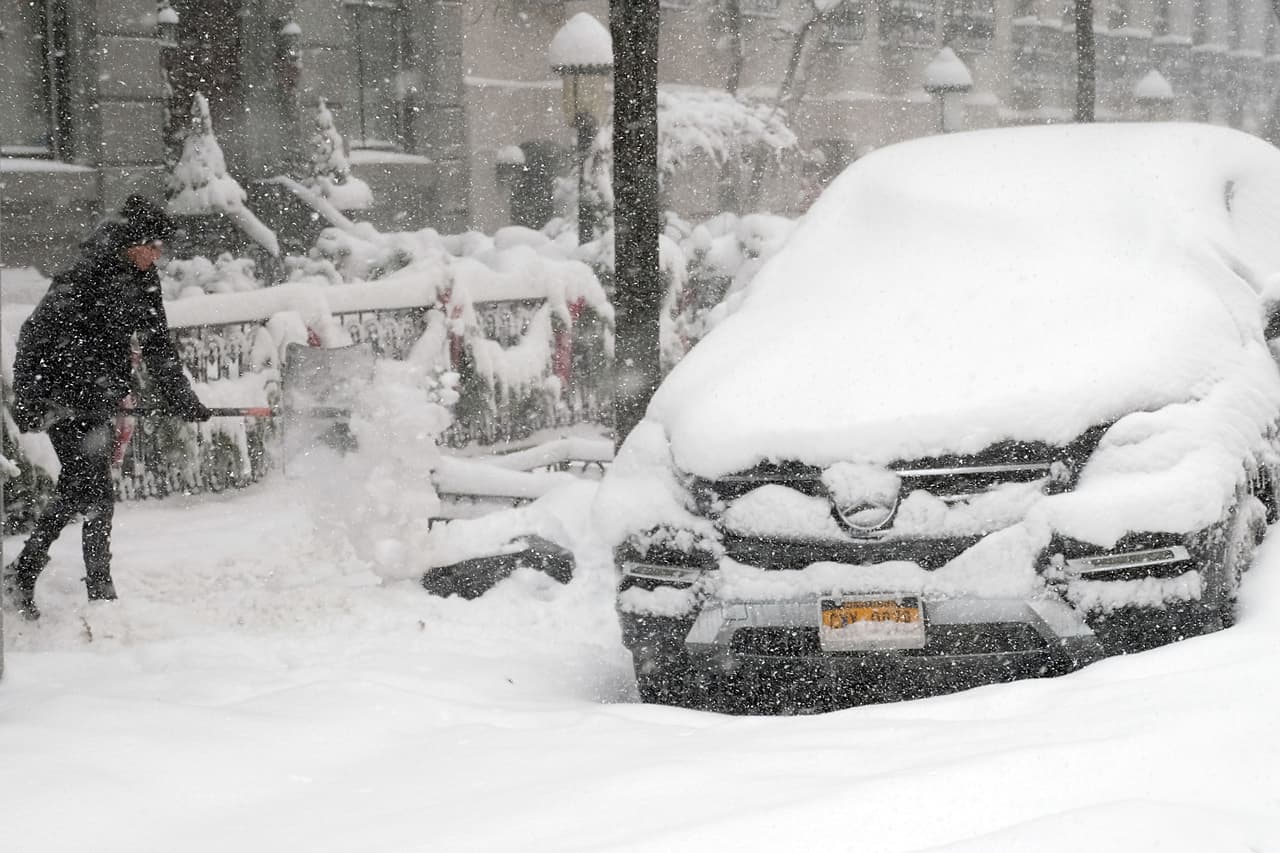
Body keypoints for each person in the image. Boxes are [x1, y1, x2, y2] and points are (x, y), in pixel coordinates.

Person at [2, 195, 212, 620]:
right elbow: (34, 338)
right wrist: (28, 400)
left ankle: (23, 573)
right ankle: (100, 593)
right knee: (95, 489)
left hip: (97, 400)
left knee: (79, 487)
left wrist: (185, 400)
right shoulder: (82, 276)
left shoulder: (144, 281)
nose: (158, 255)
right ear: (131, 242)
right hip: (60, 398)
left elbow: (158, 348)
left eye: (161, 249)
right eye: (153, 246)